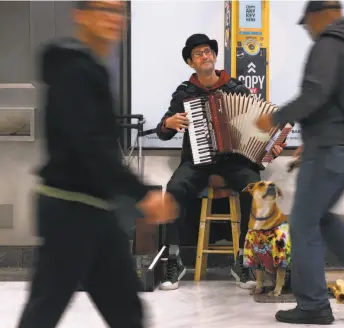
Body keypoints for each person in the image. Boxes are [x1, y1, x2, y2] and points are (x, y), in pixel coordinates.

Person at [17, 2, 178, 328]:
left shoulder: (90, 67)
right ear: (81, 14)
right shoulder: (74, 69)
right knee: (47, 308)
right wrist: (141, 194)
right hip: (69, 210)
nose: (113, 18)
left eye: (119, 11)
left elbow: (95, 145)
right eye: (103, 9)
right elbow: (88, 144)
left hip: (94, 210)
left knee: (126, 311)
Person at [256, 1, 344, 325]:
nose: (307, 29)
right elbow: (337, 102)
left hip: (331, 150)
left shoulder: (329, 44)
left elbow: (315, 95)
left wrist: (274, 118)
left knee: (303, 223)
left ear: (321, 14)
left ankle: (314, 305)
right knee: (321, 218)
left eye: (307, 23)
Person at [156, 33, 285, 291]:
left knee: (256, 190)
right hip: (198, 161)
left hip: (234, 161)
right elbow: (164, 132)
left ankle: (244, 259)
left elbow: (259, 129)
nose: (205, 56)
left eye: (208, 51)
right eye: (198, 53)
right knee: (173, 192)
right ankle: (174, 258)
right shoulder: (184, 93)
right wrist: (167, 123)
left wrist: (272, 147)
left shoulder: (236, 89)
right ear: (191, 63)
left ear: (214, 57)